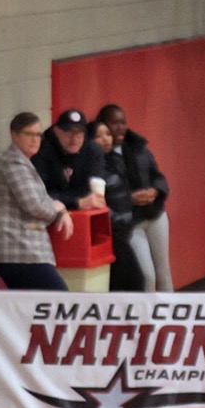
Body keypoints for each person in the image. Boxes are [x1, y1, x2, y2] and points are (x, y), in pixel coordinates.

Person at [0, 111, 73, 291]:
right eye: (29, 134)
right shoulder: (13, 164)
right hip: (17, 252)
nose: (35, 139)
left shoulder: (24, 163)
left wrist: (60, 209)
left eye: (38, 135)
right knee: (59, 297)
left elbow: (43, 200)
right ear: (14, 135)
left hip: (25, 252)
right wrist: (57, 208)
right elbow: (36, 206)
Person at [97, 104, 172, 291]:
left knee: (164, 273)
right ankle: (146, 318)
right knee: (147, 276)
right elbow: (102, 196)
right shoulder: (99, 158)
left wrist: (155, 191)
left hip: (155, 216)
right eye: (114, 123)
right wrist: (129, 199)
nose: (120, 127)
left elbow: (158, 177)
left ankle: (169, 317)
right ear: (103, 126)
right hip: (130, 224)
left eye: (123, 122)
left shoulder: (139, 148)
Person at [91, 118, 144, 291]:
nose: (105, 139)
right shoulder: (91, 167)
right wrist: (113, 220)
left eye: (107, 134)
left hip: (126, 228)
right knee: (135, 281)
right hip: (111, 233)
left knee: (133, 281)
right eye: (99, 136)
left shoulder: (116, 160)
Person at [34, 108, 108, 212]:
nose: (74, 139)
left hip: (85, 210)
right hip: (50, 212)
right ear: (57, 131)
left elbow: (93, 187)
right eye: (69, 133)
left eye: (79, 133)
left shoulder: (93, 150)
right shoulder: (42, 151)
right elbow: (40, 194)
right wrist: (76, 202)